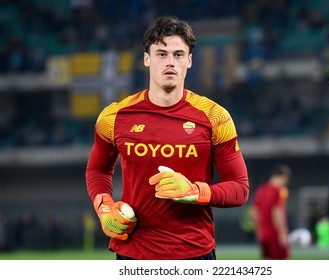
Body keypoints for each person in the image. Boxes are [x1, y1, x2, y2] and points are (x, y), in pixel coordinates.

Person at [85, 16, 249, 260]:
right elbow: (97, 170)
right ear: (147, 59)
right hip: (133, 255)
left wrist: (196, 192)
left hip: (194, 254)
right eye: (161, 54)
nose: (170, 62)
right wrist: (104, 206)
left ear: (189, 61)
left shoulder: (215, 118)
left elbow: (239, 188)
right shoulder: (114, 116)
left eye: (178, 54)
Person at [252, 164, 292, 260]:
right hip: (275, 234)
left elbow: (254, 212)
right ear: (284, 176)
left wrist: (259, 230)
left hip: (263, 234)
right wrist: (282, 233)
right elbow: (277, 212)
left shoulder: (261, 190)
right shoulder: (281, 190)